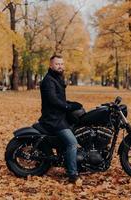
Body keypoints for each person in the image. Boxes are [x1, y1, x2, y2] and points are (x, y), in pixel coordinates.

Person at [38, 55, 81, 183]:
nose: (60, 66)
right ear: (51, 65)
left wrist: (72, 103)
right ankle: (72, 174)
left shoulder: (57, 78)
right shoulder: (48, 80)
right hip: (53, 119)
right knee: (72, 143)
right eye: (57, 64)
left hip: (60, 117)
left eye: (62, 64)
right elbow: (52, 100)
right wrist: (68, 106)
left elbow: (59, 99)